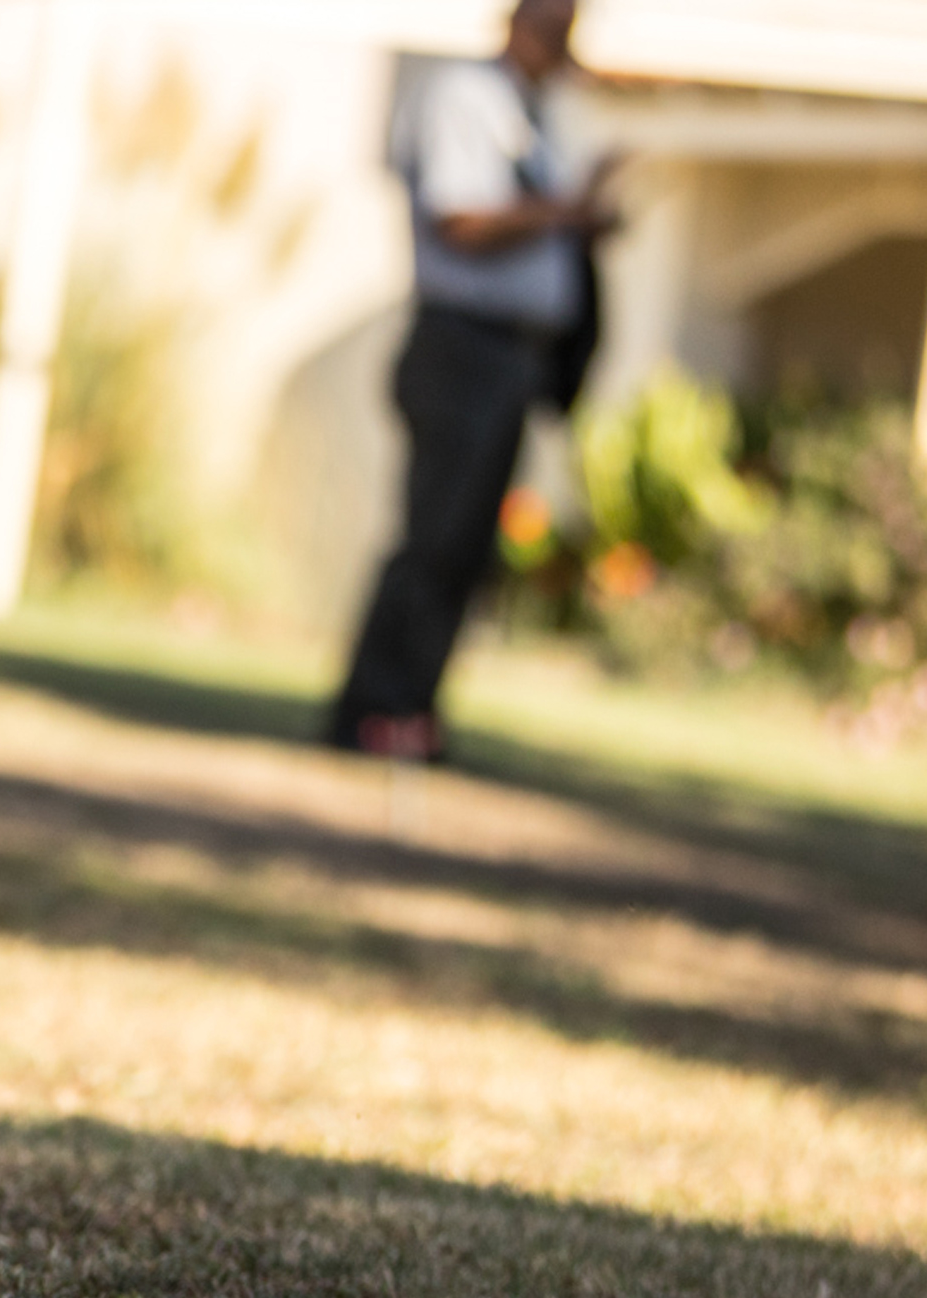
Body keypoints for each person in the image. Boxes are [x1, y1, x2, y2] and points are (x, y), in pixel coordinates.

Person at [328, 0, 622, 763]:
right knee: (435, 536)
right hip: (463, 350)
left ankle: (414, 709)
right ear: (522, 23)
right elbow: (462, 221)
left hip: (509, 360)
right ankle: (375, 709)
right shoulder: (467, 99)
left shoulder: (533, 116)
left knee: (467, 546)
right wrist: (564, 213)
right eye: (558, 29)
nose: (568, 45)